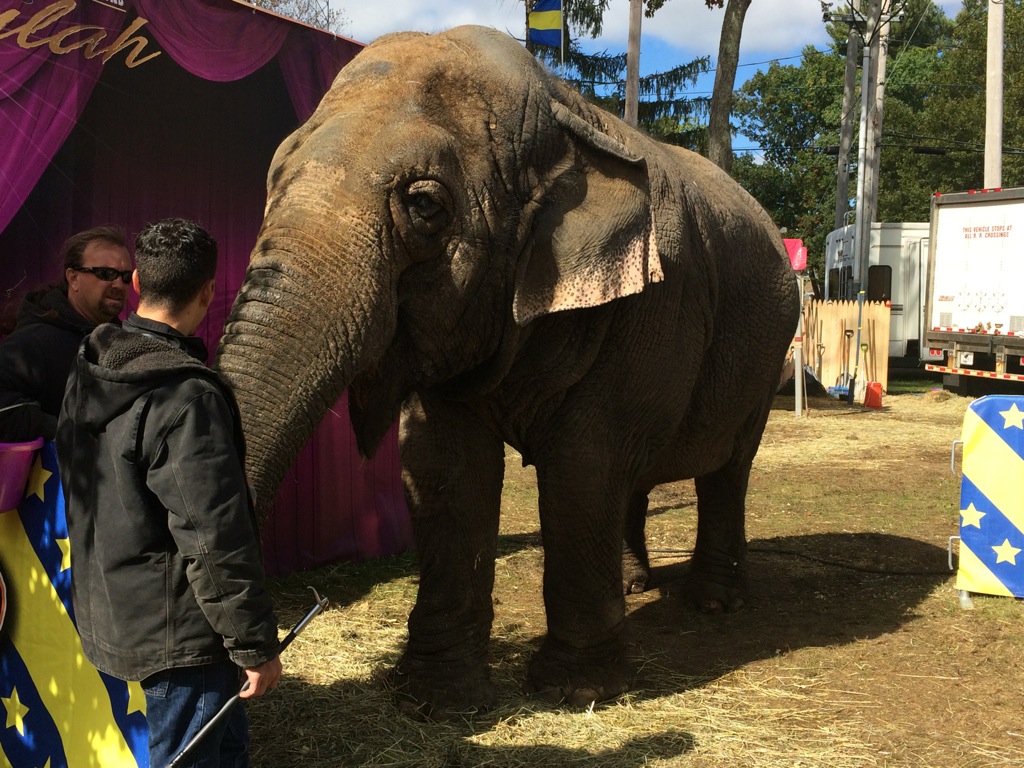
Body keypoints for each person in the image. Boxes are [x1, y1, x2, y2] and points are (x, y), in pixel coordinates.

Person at [56, 218, 282, 767]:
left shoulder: (92, 361)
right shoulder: (185, 397)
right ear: (208, 291)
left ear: (137, 283)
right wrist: (254, 645)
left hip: (118, 605)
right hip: (181, 633)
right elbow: (213, 537)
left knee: (226, 748)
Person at [0, 226, 131, 442]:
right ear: (73, 277)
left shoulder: (125, 342)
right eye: (106, 274)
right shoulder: (33, 341)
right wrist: (62, 434)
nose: (118, 284)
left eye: (126, 276)